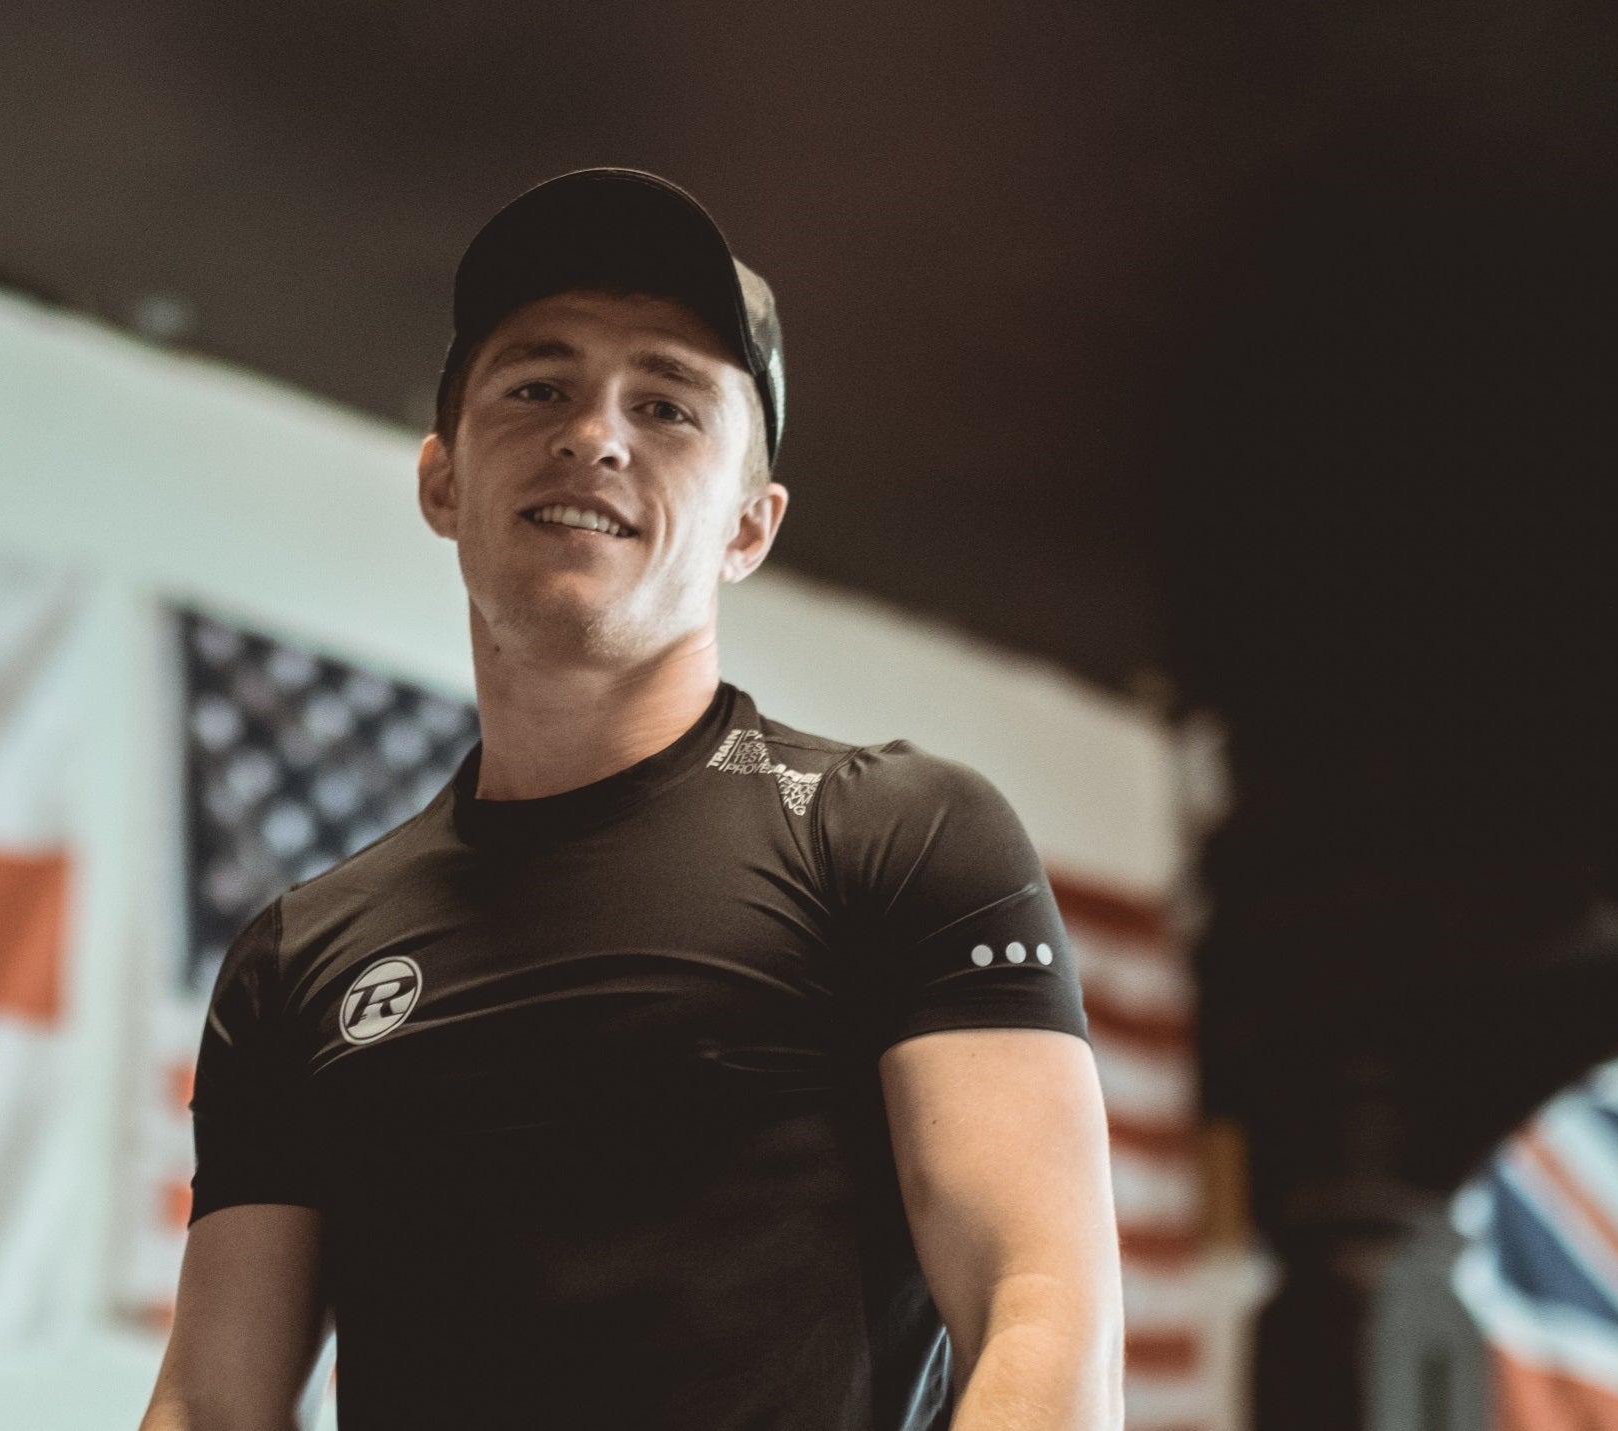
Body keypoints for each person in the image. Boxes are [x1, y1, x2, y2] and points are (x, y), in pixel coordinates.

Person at [138, 169, 1122, 1431]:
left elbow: (1041, 1314)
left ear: (748, 530)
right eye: (538, 388)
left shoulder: (897, 835)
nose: (595, 434)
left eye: (666, 405)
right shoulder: (298, 959)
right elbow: (216, 1401)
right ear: (442, 480)